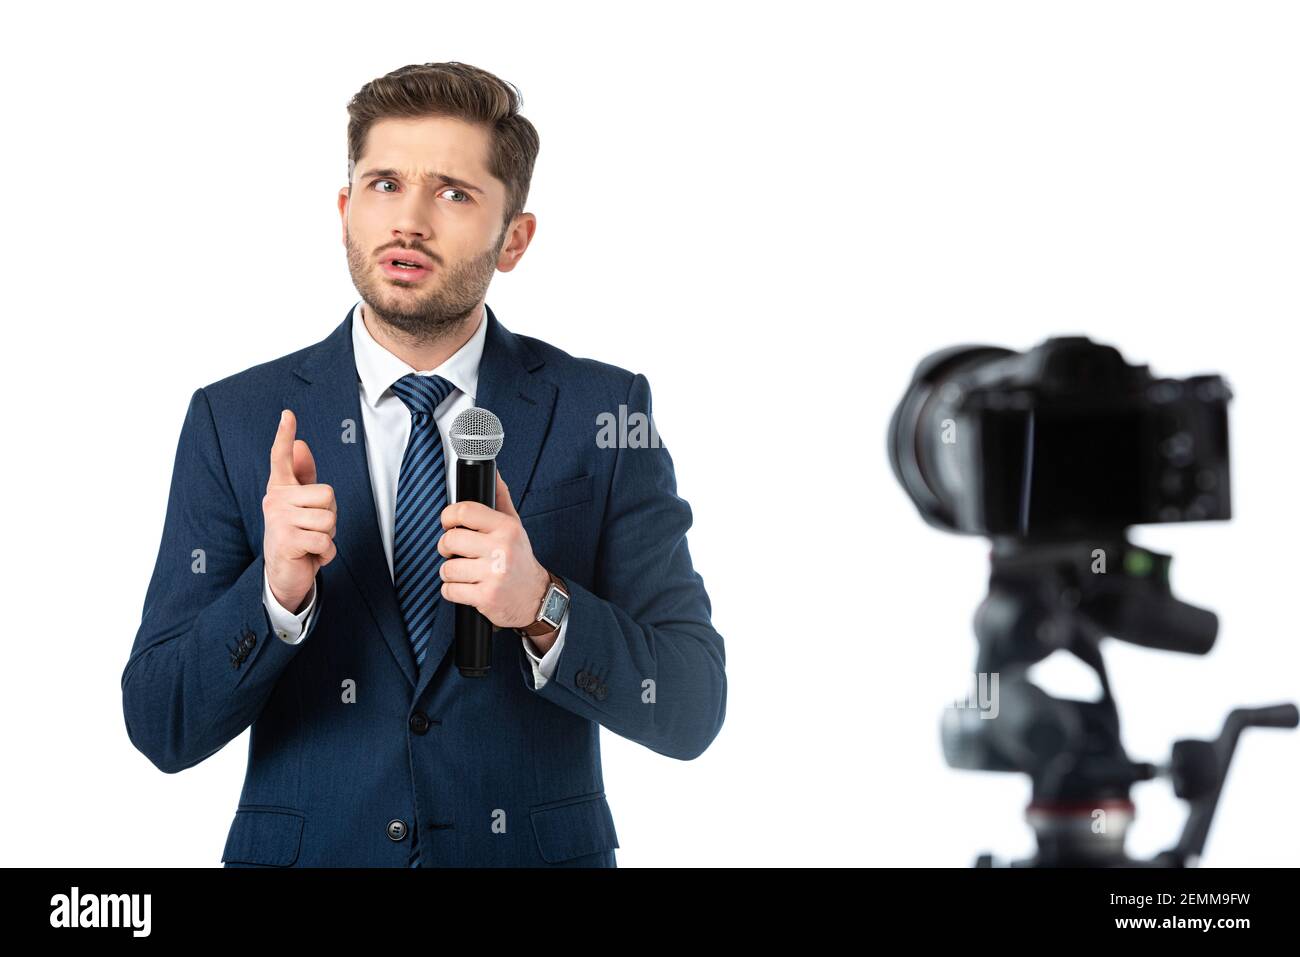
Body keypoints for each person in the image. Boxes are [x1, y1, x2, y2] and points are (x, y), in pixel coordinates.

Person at [120, 61, 726, 867]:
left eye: (453, 193)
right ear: (343, 210)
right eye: (382, 185)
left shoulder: (604, 411)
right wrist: (271, 595)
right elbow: (161, 723)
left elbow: (690, 703)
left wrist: (543, 605)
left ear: (515, 237)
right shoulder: (234, 420)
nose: (408, 221)